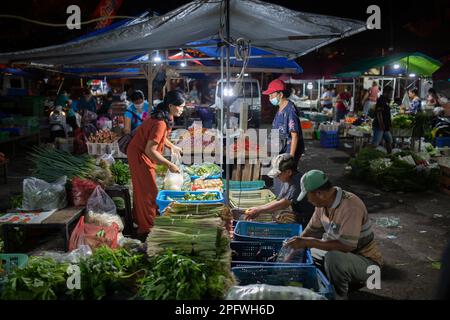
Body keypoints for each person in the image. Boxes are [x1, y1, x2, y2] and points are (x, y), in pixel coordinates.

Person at [283, 170, 383, 299]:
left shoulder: (351, 206)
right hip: (345, 256)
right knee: (307, 253)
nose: (308, 200)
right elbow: (310, 229)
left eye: (308, 196)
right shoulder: (322, 204)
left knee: (333, 258)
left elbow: (347, 246)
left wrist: (308, 242)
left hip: (367, 263)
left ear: (320, 194)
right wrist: (295, 248)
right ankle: (323, 286)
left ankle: (339, 295)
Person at [127, 90, 185, 239]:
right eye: (181, 107)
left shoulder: (164, 117)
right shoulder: (160, 122)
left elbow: (160, 138)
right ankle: (145, 229)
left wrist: (172, 146)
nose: (182, 109)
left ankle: (141, 221)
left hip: (141, 152)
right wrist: (169, 165)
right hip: (140, 155)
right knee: (148, 192)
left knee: (144, 190)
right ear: (171, 105)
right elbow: (150, 149)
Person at [244, 155, 315, 226]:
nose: (277, 177)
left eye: (278, 175)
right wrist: (258, 208)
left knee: (282, 216)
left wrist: (259, 210)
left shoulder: (298, 183)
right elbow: (278, 200)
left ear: (289, 172)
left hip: (308, 217)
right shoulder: (287, 180)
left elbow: (284, 203)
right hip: (298, 213)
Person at [263, 79, 305, 195]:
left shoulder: (290, 109)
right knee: (278, 177)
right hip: (279, 148)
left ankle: (286, 204)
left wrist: (290, 157)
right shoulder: (280, 108)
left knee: (285, 178)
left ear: (280, 94)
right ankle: (280, 199)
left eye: (272, 94)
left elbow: (295, 135)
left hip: (288, 150)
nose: (270, 97)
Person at [370, 86, 393, 154]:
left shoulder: (386, 100)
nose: (391, 94)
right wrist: (381, 124)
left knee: (389, 140)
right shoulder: (381, 100)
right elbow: (379, 113)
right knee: (375, 144)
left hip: (385, 127)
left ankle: (390, 156)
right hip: (379, 126)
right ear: (387, 92)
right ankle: (365, 154)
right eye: (391, 93)